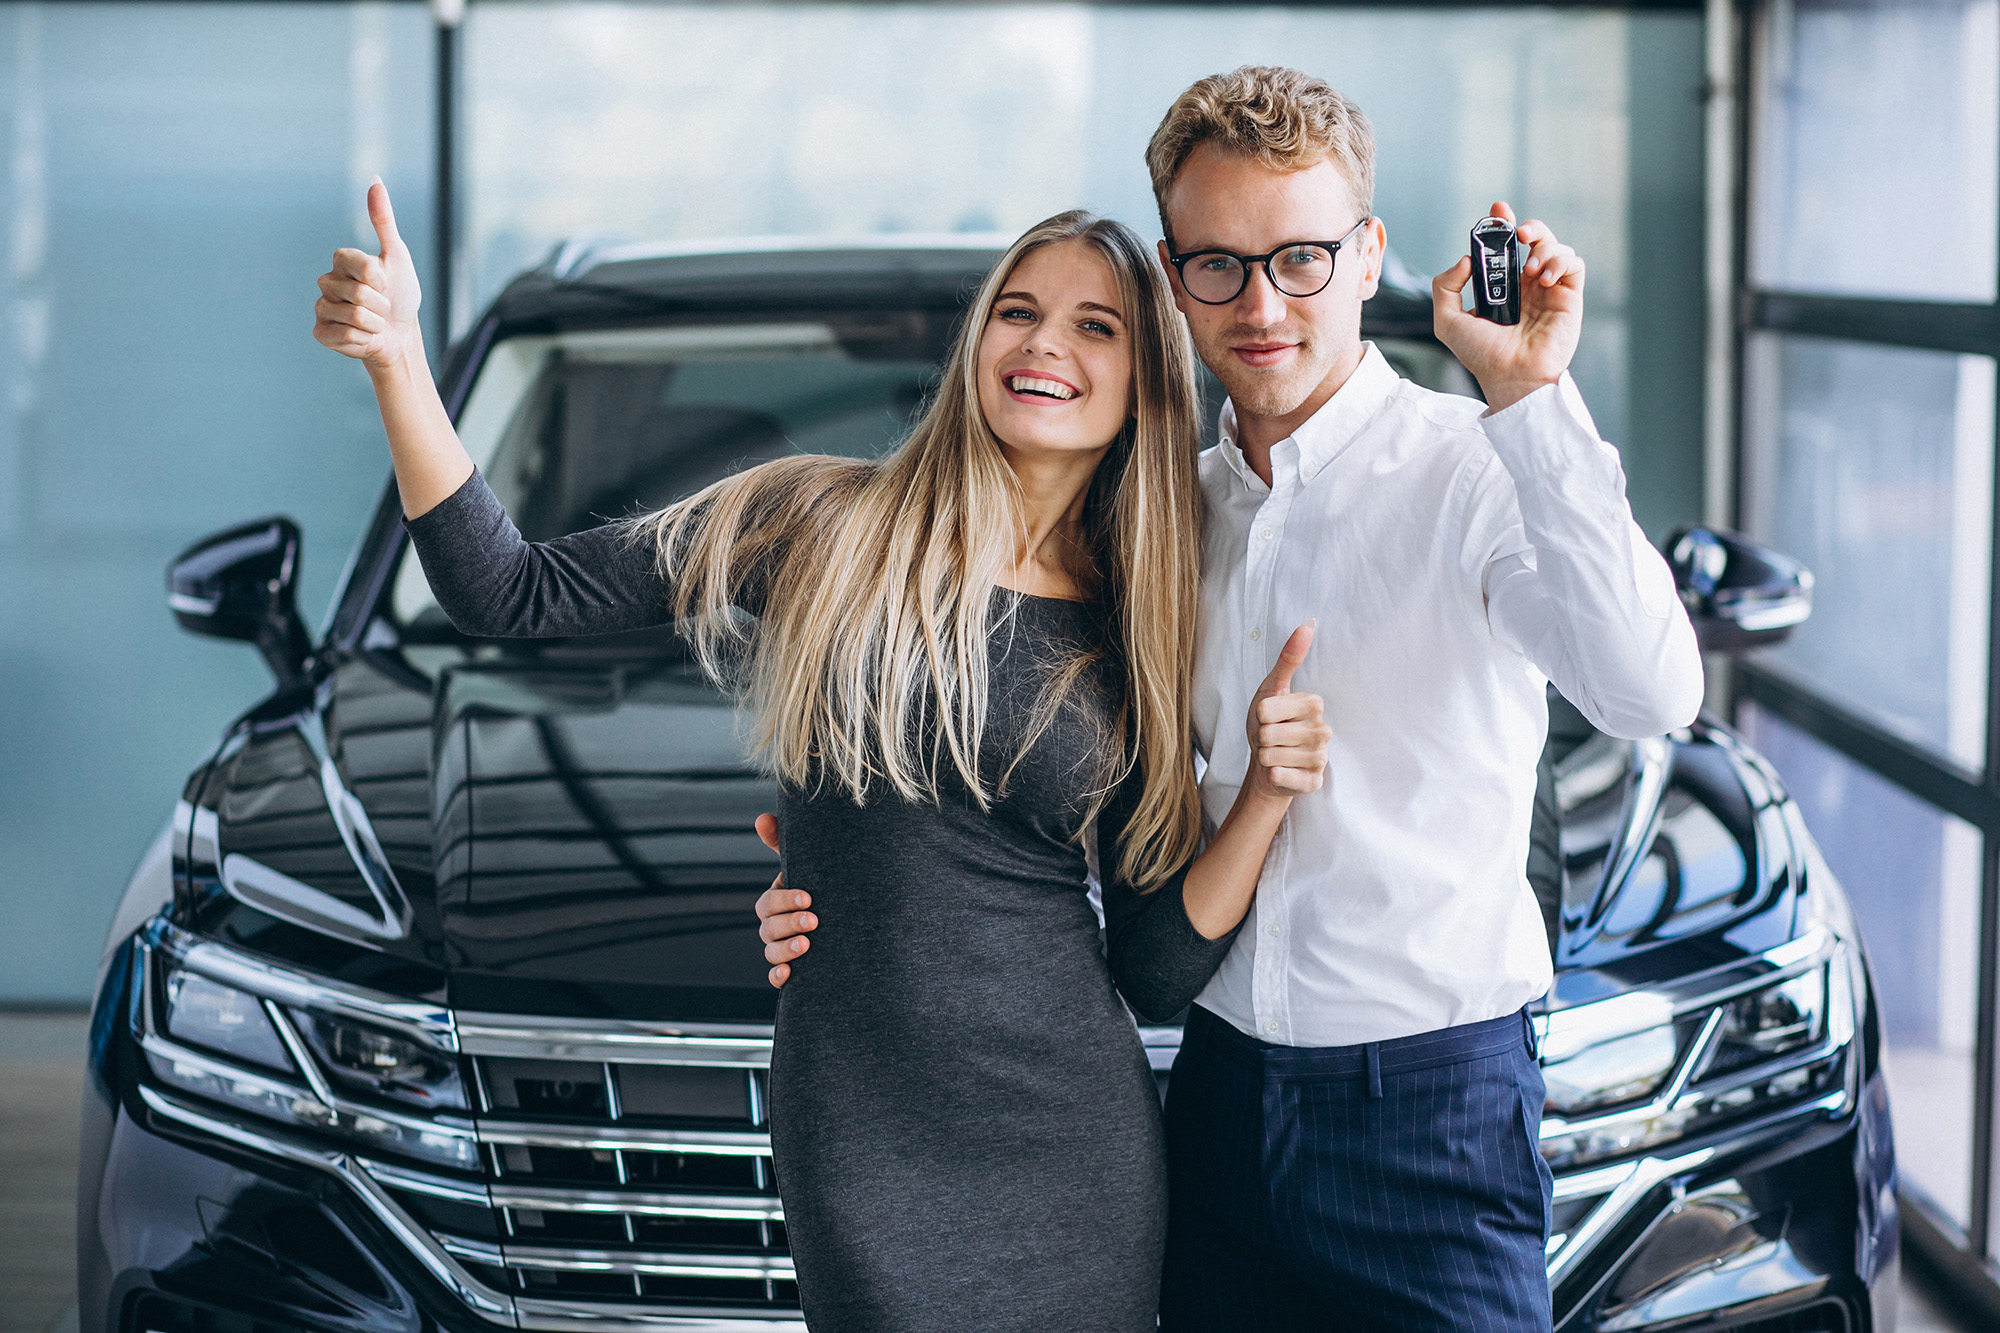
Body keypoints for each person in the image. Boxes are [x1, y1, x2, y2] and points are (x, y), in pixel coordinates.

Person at [758, 65, 1705, 1331]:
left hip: (1429, 1114)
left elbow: (1648, 692)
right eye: (1218, 265)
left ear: (1367, 255)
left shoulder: (1476, 469)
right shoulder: (1155, 524)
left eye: (1300, 258)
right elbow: (1003, 756)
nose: (1261, 305)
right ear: (1171, 276)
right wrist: (846, 880)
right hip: (1207, 1105)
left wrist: (1528, 397)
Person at [313, 186, 1330, 1332]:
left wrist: (1259, 798)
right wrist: (398, 360)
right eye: (1017, 311)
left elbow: (1149, 969)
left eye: (1094, 326)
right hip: (860, 1118)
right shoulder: (817, 524)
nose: (1044, 343)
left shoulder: (1133, 622)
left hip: (1069, 1137)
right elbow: (508, 590)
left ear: (1144, 382)